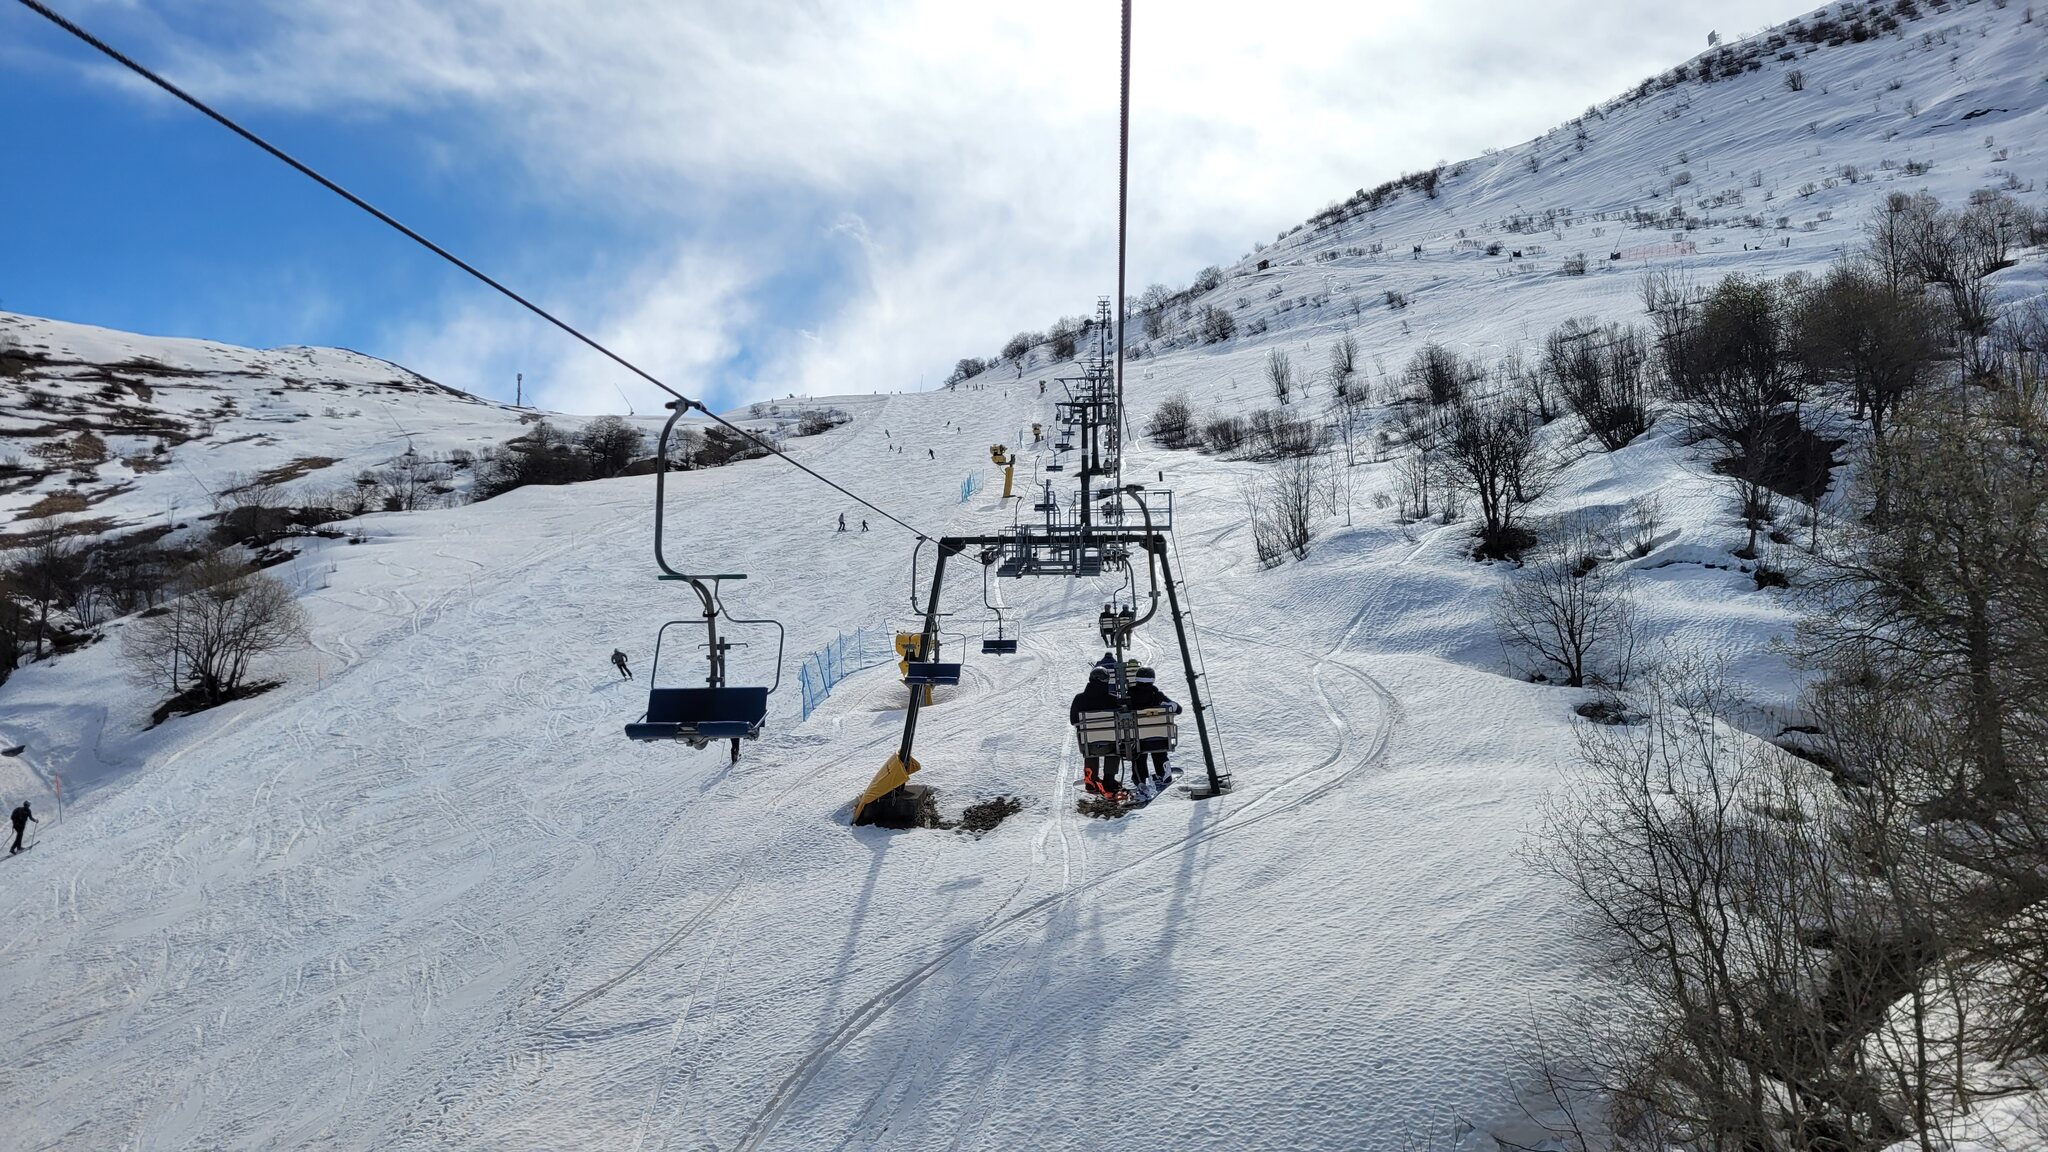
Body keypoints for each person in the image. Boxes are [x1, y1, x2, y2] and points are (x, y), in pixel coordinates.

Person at [1069, 666, 1124, 795]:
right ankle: (1109, 780)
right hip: (1111, 744)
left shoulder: (1079, 699)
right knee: (1115, 745)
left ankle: (1091, 780)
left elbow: (1073, 720)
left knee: (1090, 745)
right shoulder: (1113, 700)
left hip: (1089, 745)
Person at [1126, 667, 1183, 786]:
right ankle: (1163, 774)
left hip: (1137, 739)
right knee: (1159, 748)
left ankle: (1140, 780)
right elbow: (1178, 709)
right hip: (1159, 739)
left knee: (1139, 755)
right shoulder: (1157, 695)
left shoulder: (1129, 696)